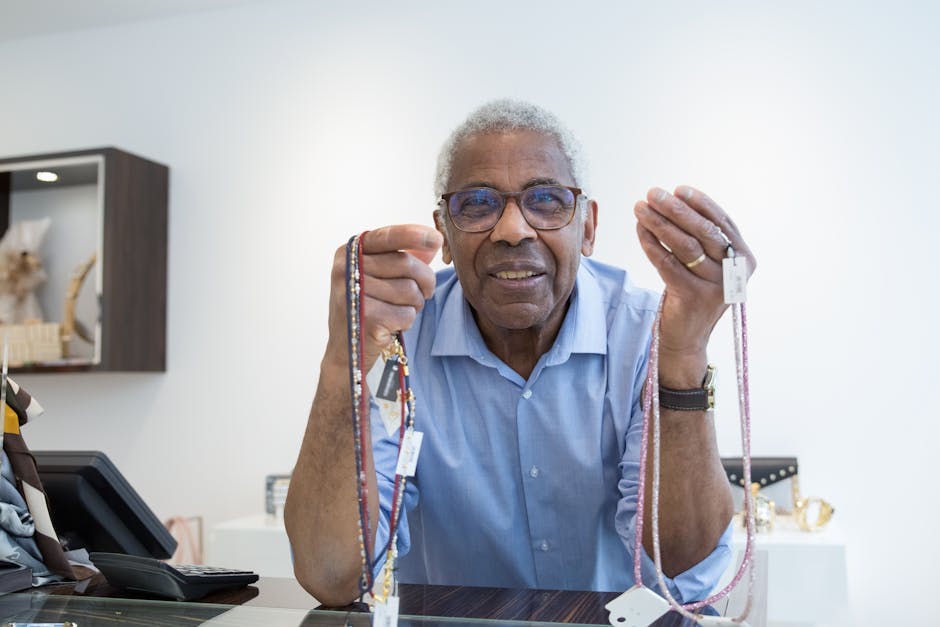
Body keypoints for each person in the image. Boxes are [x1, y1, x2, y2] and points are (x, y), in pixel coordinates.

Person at [285, 99, 756, 607]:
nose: (512, 230)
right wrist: (342, 357)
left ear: (589, 227)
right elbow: (333, 575)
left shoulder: (648, 334)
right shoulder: (397, 342)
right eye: (478, 203)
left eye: (547, 200)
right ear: (444, 232)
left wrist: (684, 352)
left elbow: (682, 567)